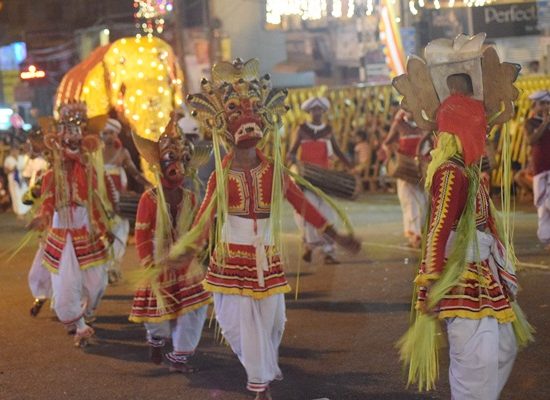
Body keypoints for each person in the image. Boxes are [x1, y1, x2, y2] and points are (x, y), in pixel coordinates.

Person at [181, 58, 361, 399]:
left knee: (272, 323)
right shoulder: (221, 173)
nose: (247, 122)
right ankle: (258, 381)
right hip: (232, 256)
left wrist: (335, 235)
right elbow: (205, 216)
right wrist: (188, 249)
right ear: (224, 127)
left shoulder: (273, 170)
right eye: (237, 115)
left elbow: (303, 205)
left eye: (251, 114)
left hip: (266, 256)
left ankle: (261, 366)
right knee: (239, 322)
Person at [394, 33, 532, 398]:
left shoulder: (468, 171)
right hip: (460, 276)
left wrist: (501, 270)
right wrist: (429, 284)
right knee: (478, 358)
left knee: (501, 348)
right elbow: (437, 229)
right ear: (465, 130)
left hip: (483, 273)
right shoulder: (451, 173)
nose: (485, 137)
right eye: (480, 129)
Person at [28, 102, 115, 347]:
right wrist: (42, 219)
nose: (73, 147)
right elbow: (47, 205)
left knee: (97, 282)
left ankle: (84, 313)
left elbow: (94, 203)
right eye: (68, 141)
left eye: (77, 141)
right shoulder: (50, 175)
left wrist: (103, 227)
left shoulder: (88, 172)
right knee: (66, 283)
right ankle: (79, 325)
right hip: (62, 231)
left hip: (85, 230)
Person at [129, 115, 211, 373]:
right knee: (160, 312)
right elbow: (141, 235)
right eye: (170, 159)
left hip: (186, 261)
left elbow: (199, 230)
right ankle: (156, 339)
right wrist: (149, 262)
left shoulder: (191, 196)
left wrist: (196, 253)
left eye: (183, 160)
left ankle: (180, 355)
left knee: (195, 307)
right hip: (158, 259)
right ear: (159, 164)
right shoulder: (149, 198)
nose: (177, 166)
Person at [286, 96, 353, 264]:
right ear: (309, 112)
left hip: (325, 179)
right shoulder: (301, 129)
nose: (317, 112)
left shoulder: (328, 130)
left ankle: (328, 251)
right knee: (308, 212)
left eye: (319, 110)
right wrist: (294, 163)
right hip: (307, 179)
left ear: (323, 111)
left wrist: (351, 168)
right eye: (314, 110)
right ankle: (309, 245)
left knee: (328, 213)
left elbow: (337, 151)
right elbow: (292, 152)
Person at [101, 117, 150, 283]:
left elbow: (135, 174)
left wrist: (151, 185)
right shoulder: (95, 153)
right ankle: (104, 269)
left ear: (117, 134)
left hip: (118, 200)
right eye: (105, 133)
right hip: (100, 201)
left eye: (111, 133)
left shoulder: (123, 153)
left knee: (121, 232)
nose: (108, 136)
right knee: (103, 233)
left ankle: (112, 267)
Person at [382, 109, 428, 248]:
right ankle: (415, 235)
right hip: (405, 168)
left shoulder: (425, 124)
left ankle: (421, 232)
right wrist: (391, 155)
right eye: (407, 110)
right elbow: (387, 143)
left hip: (422, 168)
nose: (410, 112)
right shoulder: (399, 125)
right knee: (409, 202)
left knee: (424, 202)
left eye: (412, 108)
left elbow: (431, 141)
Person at [525, 90, 550, 246]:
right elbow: (531, 140)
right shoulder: (530, 122)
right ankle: (547, 239)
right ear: (534, 106)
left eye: (547, 103)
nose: (546, 106)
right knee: (542, 206)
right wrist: (545, 123)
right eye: (543, 104)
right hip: (540, 167)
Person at [3, 142, 30, 217]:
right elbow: (5, 171)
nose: (15, 151)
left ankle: (27, 211)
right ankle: (19, 212)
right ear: (11, 151)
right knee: (16, 195)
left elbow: (26, 167)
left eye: (16, 150)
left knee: (24, 193)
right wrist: (12, 170)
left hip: (22, 179)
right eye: (14, 150)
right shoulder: (8, 159)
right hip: (13, 180)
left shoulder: (22, 158)